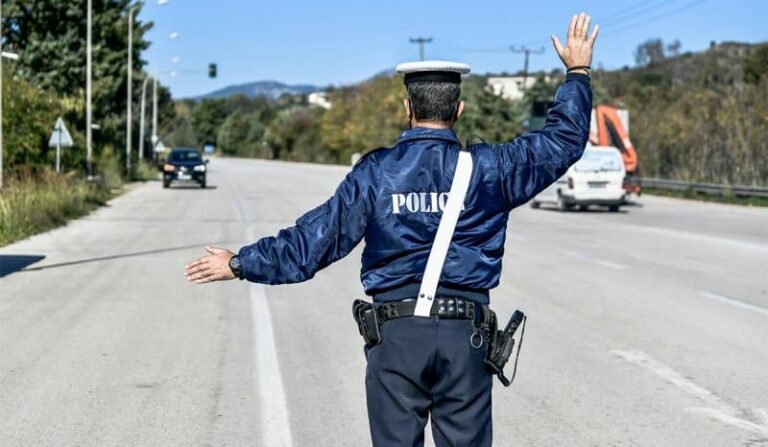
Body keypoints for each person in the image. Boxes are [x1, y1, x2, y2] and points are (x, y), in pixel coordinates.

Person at [185, 13, 599, 447]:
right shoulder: (490, 169)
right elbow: (561, 143)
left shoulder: (377, 173)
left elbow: (315, 240)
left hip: (396, 339)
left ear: (407, 109)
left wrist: (239, 263)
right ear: (458, 110)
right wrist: (577, 73)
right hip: (466, 339)